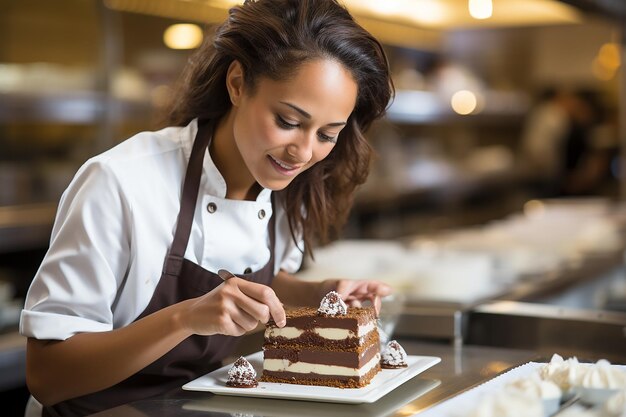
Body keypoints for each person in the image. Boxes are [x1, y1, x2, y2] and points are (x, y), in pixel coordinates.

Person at [19, 0, 394, 415]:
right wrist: (185, 318)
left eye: (327, 134)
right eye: (288, 121)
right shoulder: (121, 181)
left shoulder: (286, 185)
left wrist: (317, 294)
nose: (303, 152)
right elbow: (48, 375)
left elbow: (254, 274)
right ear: (237, 83)